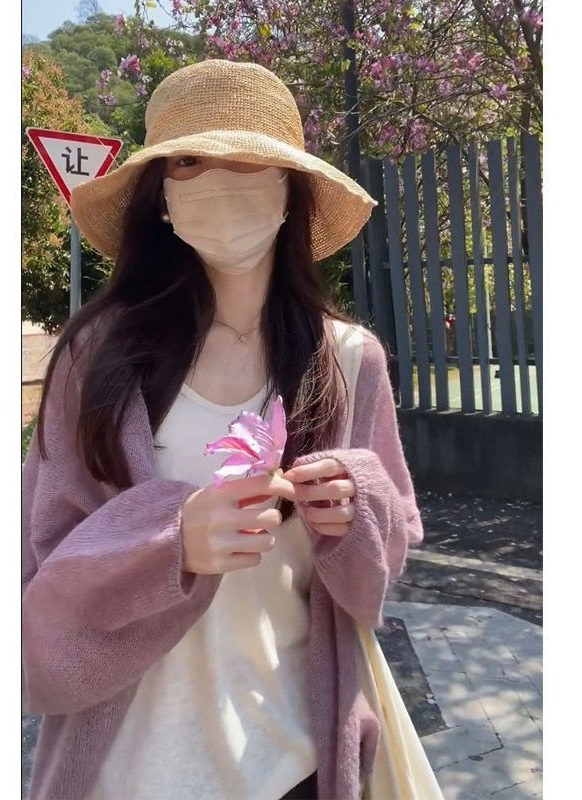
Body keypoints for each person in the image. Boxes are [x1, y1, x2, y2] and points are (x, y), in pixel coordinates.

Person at [22, 59, 424, 800]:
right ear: (160, 197)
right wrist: (168, 543)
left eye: (248, 158)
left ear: (291, 189)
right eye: (188, 161)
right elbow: (32, 580)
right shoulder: (95, 358)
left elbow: (387, 555)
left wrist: (356, 509)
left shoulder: (350, 359)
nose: (218, 179)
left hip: (294, 760)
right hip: (121, 768)